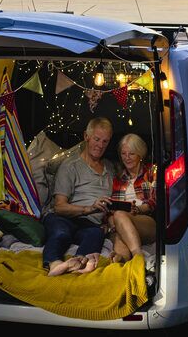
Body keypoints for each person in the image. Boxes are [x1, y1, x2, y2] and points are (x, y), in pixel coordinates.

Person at [43, 117, 116, 276]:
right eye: (96, 139)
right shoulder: (71, 165)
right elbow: (59, 207)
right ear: (86, 136)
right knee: (61, 233)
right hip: (64, 218)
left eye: (105, 141)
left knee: (96, 234)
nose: (100, 145)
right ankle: (54, 264)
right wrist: (88, 209)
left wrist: (107, 222)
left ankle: (78, 263)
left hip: (89, 224)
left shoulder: (110, 169)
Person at [106, 133, 158, 263]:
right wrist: (111, 220)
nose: (127, 158)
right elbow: (112, 208)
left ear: (140, 155)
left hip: (146, 221)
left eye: (131, 154)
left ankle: (137, 256)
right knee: (118, 223)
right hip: (121, 222)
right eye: (124, 154)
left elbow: (155, 201)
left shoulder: (151, 172)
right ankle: (121, 260)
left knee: (119, 216)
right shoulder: (118, 179)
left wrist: (138, 209)